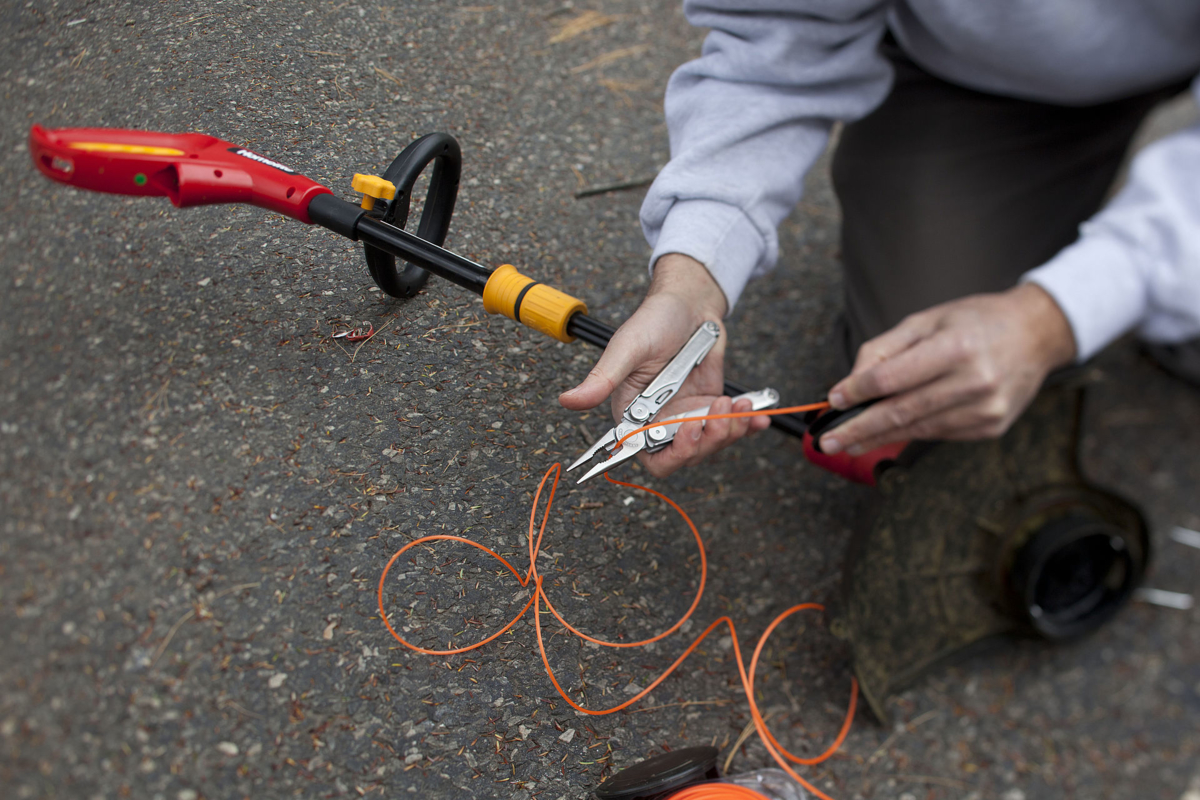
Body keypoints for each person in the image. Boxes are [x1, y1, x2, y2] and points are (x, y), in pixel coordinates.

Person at [559, 2, 1200, 477]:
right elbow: (775, 47)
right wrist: (694, 273)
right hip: (989, 79)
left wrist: (1056, 315)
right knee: (917, 391)